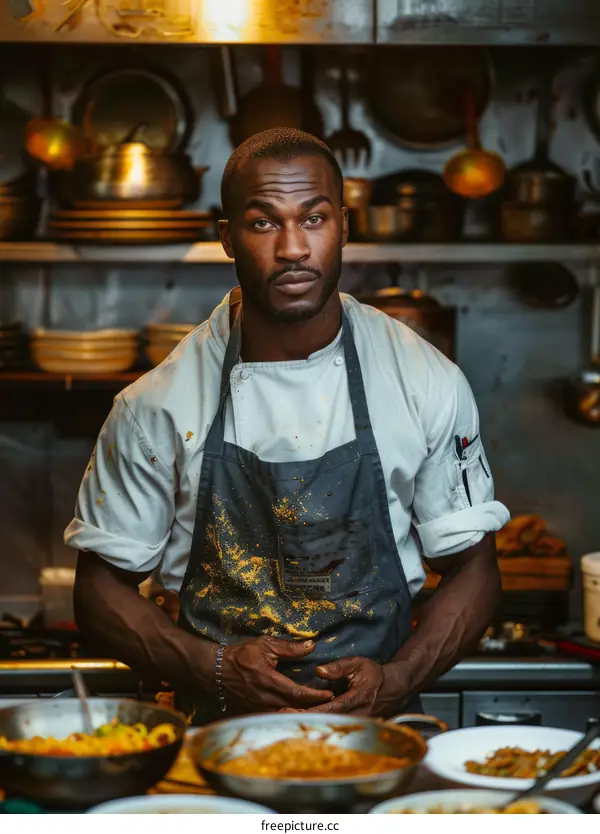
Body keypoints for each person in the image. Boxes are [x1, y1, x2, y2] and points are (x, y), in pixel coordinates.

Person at [66, 127, 510, 724]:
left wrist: (400, 679)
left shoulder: (422, 379)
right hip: (215, 737)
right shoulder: (158, 405)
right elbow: (99, 592)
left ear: (344, 227)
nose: (294, 247)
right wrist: (213, 668)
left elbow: (474, 566)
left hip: (385, 729)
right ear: (228, 239)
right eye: (264, 222)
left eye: (315, 217)